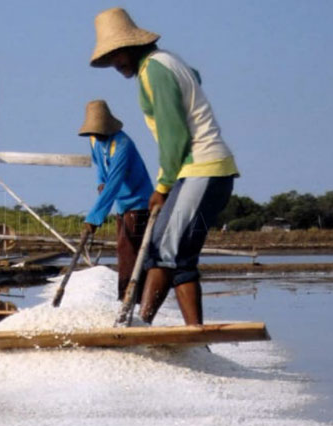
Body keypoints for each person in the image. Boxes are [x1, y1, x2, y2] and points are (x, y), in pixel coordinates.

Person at [89, 8, 240, 325]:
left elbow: (175, 136)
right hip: (199, 172)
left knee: (169, 252)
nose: (116, 64)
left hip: (202, 168)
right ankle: (150, 326)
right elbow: (194, 77)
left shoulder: (153, 71)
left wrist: (162, 187)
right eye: (110, 58)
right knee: (162, 247)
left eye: (118, 54)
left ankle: (155, 327)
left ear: (132, 45)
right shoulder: (168, 61)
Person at [79, 99, 154, 301]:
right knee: (125, 250)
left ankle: (130, 300)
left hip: (139, 202)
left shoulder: (123, 145)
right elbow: (101, 169)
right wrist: (100, 183)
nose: (97, 135)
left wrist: (94, 217)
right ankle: (130, 298)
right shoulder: (94, 140)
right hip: (121, 203)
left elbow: (114, 180)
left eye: (100, 132)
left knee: (128, 249)